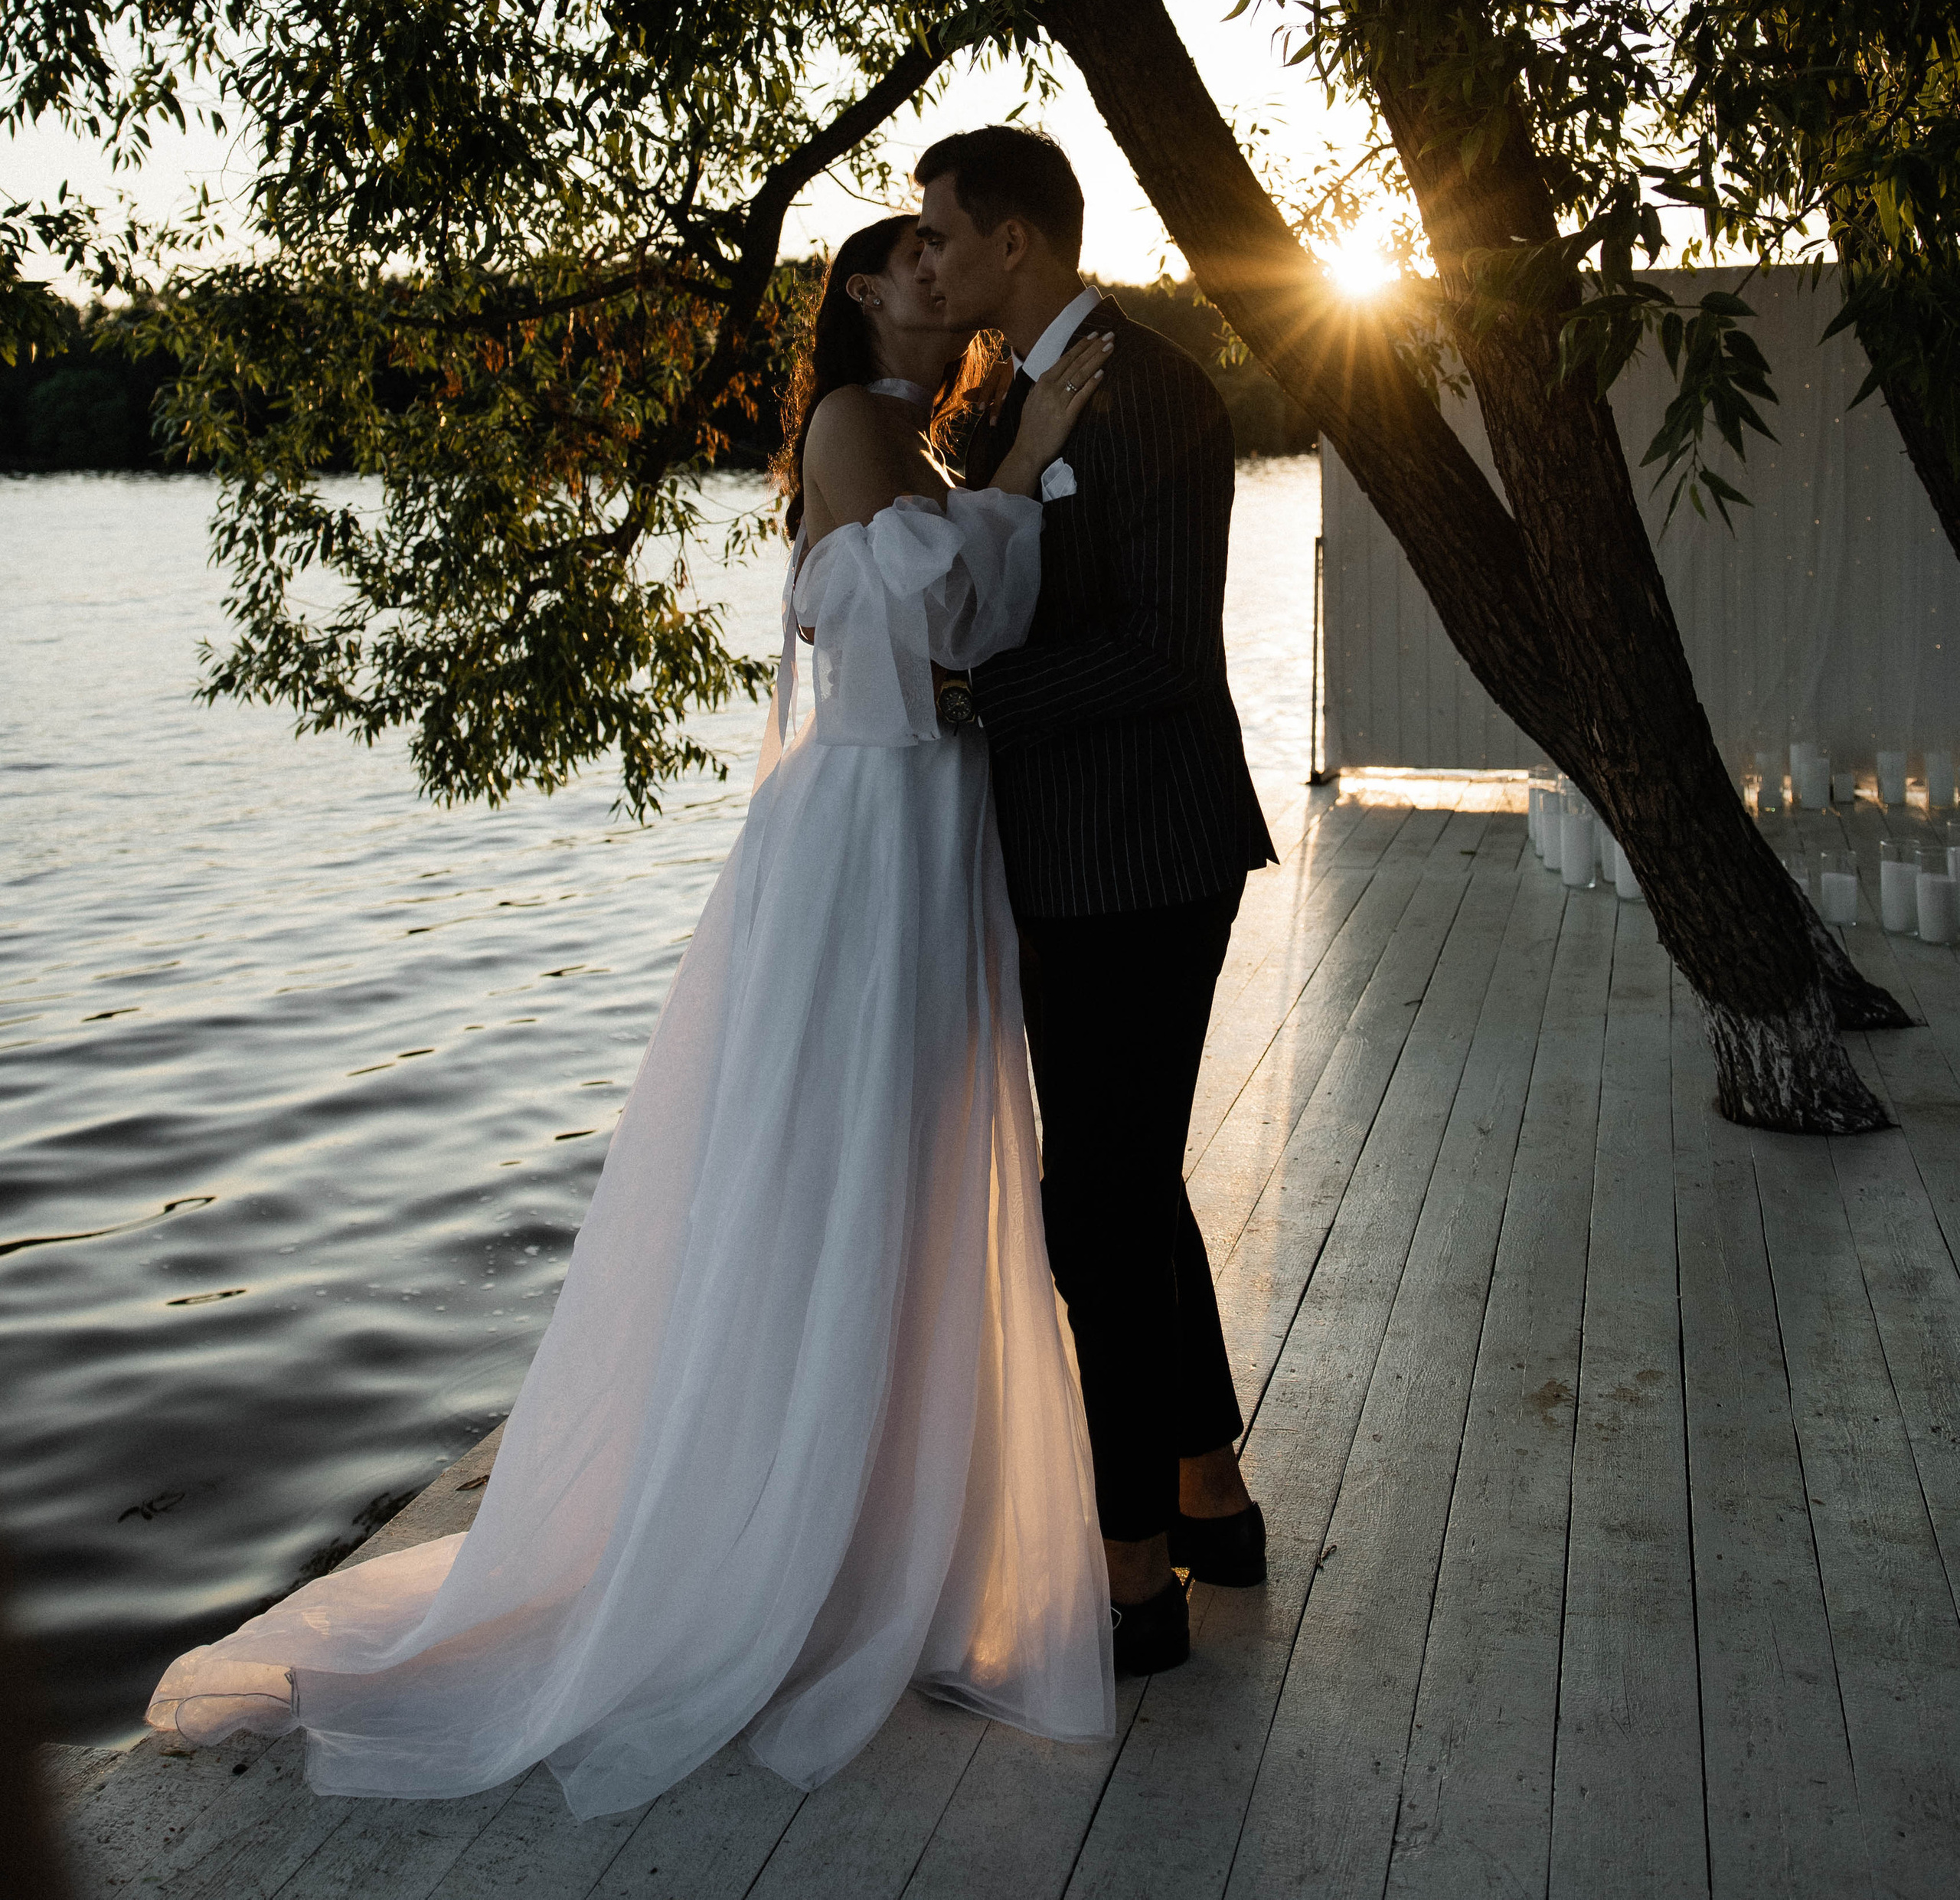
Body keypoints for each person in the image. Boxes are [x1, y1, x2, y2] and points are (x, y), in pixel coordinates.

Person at [146, 216, 1116, 1816]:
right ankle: (794, 1542)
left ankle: (865, 1522)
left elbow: (931, 620)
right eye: (907, 260)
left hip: (915, 815)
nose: (937, 275)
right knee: (854, 1164)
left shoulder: (912, 428)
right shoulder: (860, 420)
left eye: (947, 253)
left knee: (890, 1165)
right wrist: (1022, 473)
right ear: (860, 296)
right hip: (876, 823)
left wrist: (1006, 463)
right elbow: (916, 617)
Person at [914, 127, 1277, 1680]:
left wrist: (965, 695)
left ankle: (1131, 1582)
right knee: (1125, 1189)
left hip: (1141, 850)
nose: (926, 258)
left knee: (1098, 1205)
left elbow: (1159, 656)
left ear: (1012, 239)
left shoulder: (1149, 390)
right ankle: (1210, 1499)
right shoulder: (1008, 392)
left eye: (941, 234)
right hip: (1066, 854)